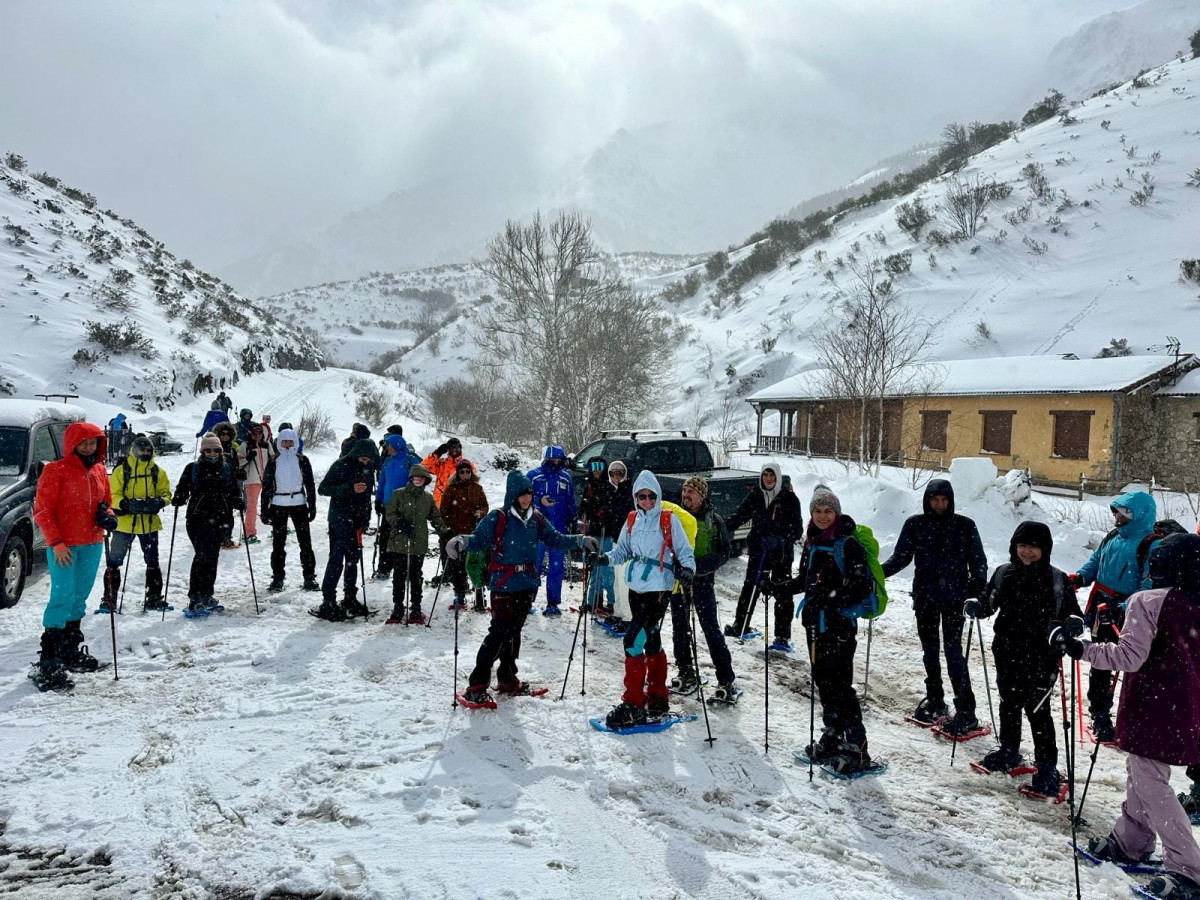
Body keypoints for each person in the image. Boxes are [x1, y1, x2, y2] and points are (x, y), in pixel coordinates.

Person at [1052, 533, 1200, 899]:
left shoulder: (1148, 601)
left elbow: (1128, 657)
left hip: (1155, 704)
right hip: (1190, 705)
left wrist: (1080, 649)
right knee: (1142, 771)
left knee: (1151, 782)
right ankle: (1130, 840)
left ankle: (1189, 868)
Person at [446, 471, 597, 706]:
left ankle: (507, 679)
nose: (526, 499)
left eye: (528, 494)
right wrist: (461, 540)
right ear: (512, 495)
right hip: (503, 583)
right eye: (521, 494)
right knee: (499, 632)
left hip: (526, 583)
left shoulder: (535, 518)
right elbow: (479, 539)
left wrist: (579, 540)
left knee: (513, 632)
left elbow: (554, 538)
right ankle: (476, 685)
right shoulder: (498, 517)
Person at [965, 521, 1080, 796]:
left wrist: (1072, 623)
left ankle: (1047, 768)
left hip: (1042, 657)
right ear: (1014, 547)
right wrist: (978, 605)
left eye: (1034, 547)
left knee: (1038, 711)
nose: (1028, 552)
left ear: (1045, 549)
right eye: (1022, 546)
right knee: (1009, 703)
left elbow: (1073, 613)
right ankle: (1009, 751)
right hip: (1007, 651)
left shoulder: (1056, 579)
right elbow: (989, 602)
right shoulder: (1004, 573)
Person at [767, 485, 875, 775]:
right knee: (823, 682)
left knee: (841, 686)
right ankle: (834, 733)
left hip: (839, 628)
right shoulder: (812, 541)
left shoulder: (847, 544)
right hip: (814, 625)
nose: (823, 516)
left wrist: (832, 598)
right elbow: (805, 580)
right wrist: (780, 588)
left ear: (837, 513)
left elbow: (861, 586)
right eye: (817, 511)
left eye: (828, 511)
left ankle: (857, 745)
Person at [882, 478, 988, 735]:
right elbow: (901, 557)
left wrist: (977, 588)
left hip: (955, 600)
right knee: (930, 651)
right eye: (935, 500)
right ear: (927, 500)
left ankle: (966, 711)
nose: (940, 505)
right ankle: (935, 700)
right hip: (925, 598)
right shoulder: (915, 524)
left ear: (951, 501)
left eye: (944, 500)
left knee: (953, 654)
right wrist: (878, 573)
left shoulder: (964, 526)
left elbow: (978, 561)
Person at [592, 471, 696, 729]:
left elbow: (685, 553)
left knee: (631, 640)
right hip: (636, 586)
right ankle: (658, 697)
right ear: (635, 497)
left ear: (658, 496)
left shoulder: (668, 520)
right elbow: (622, 551)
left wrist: (688, 570)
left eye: (651, 496)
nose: (646, 501)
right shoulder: (631, 520)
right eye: (641, 496)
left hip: (658, 589)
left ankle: (633, 704)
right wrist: (605, 558)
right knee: (651, 640)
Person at [30, 422, 117, 690]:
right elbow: (42, 510)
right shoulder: (55, 471)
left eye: (94, 442)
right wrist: (55, 542)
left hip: (92, 543)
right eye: (84, 442)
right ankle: (48, 662)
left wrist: (109, 517)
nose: (89, 447)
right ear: (72, 444)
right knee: (62, 597)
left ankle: (69, 651)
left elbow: (107, 503)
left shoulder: (100, 470)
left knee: (79, 597)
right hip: (64, 546)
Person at [1069, 490, 1158, 743]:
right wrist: (1080, 578)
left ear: (1138, 515)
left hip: (1131, 611)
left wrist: (1125, 606)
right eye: (1116, 511)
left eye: (1123, 512)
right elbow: (1095, 561)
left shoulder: (1151, 544)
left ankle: (1132, 715)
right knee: (1101, 659)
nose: (1117, 516)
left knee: (1133, 661)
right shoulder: (1112, 537)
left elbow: (1148, 584)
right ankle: (1099, 714)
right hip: (1101, 607)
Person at [672, 476, 738, 701]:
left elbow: (724, 552)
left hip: (702, 581)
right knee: (680, 628)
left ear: (702, 495)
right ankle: (685, 670)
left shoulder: (714, 520)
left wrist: (700, 566)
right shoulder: (675, 517)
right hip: (679, 581)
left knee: (710, 629)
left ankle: (726, 679)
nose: (686, 495)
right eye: (684, 490)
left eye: (691, 491)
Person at [724, 462, 802, 647]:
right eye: (766, 475)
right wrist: (723, 527)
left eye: (772, 476)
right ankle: (741, 626)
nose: (769, 479)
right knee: (750, 587)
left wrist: (780, 538)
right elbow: (740, 515)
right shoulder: (756, 495)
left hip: (781, 554)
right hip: (759, 551)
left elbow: (797, 529)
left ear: (778, 477)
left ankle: (782, 636)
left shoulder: (789, 499)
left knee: (782, 591)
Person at [172, 433, 244, 616]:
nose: (211, 453)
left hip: (221, 519)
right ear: (202, 451)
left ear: (220, 451)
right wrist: (179, 497)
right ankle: (195, 598)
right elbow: (182, 489)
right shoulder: (193, 468)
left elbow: (234, 491)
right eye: (207, 450)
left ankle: (207, 594)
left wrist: (238, 501)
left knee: (212, 557)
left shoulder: (227, 468)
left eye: (215, 450)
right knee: (202, 556)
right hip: (198, 519)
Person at [104, 434, 173, 613]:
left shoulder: (157, 471)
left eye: (148, 450)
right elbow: (112, 495)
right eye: (141, 449)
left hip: (149, 523)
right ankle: (108, 599)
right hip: (124, 524)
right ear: (133, 451)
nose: (144, 453)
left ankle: (154, 597)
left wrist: (158, 502)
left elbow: (166, 493)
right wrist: (125, 504)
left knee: (152, 561)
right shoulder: (121, 471)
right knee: (114, 561)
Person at [313, 436, 379, 621]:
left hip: (357, 522)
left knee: (353, 560)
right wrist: (349, 488)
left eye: (368, 459)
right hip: (339, 520)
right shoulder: (341, 464)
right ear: (357, 454)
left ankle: (350, 597)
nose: (365, 461)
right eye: (363, 458)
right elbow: (323, 488)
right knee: (336, 559)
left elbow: (366, 496)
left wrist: (366, 518)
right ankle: (328, 600)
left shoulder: (368, 469)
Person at [384, 464, 451, 624]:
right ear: (411, 478)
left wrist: (445, 531)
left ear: (426, 480)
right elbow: (390, 513)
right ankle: (398, 606)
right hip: (399, 541)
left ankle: (415, 606)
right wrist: (400, 522)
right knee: (399, 575)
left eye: (421, 477)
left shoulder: (427, 498)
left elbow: (435, 517)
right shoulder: (398, 494)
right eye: (415, 477)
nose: (418, 479)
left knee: (416, 575)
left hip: (418, 542)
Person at [260, 428, 318, 593]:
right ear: (279, 442)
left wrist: (312, 505)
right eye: (284, 441)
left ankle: (309, 577)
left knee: (305, 543)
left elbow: (310, 484)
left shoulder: (302, 460)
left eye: (290, 441)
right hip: (279, 504)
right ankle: (278, 578)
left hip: (299, 503)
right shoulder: (273, 461)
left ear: (295, 442)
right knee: (278, 544)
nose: (287, 445)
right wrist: (265, 508)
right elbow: (267, 486)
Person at [526, 445, 577, 616]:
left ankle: (553, 602)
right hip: (536, 528)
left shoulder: (565, 478)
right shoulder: (533, 476)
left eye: (559, 461)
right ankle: (527, 599)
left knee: (556, 567)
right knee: (534, 564)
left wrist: (573, 518)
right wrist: (540, 501)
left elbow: (570, 501)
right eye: (553, 460)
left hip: (558, 528)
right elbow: (522, 500)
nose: (555, 463)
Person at [439, 458, 489, 610]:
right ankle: (459, 595)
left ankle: (479, 593)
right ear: (457, 473)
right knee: (457, 565)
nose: (465, 474)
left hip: (473, 532)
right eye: (462, 471)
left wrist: (481, 512)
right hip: (456, 532)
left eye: (468, 471)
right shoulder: (451, 489)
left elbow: (485, 506)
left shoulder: (477, 488)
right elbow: (443, 511)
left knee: (475, 563)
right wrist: (449, 527)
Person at [578, 458, 623, 615]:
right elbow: (584, 508)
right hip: (593, 534)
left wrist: (606, 513)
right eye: (593, 467)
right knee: (594, 568)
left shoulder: (609, 487)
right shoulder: (589, 487)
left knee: (606, 569)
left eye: (600, 466)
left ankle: (611, 602)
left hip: (606, 533)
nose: (597, 470)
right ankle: (593, 601)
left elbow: (615, 508)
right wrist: (585, 511)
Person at [372, 433, 411, 581]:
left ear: (396, 445)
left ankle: (404, 569)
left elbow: (418, 481)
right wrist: (378, 499)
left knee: (403, 539)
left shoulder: (410, 461)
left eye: (388, 445)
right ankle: (384, 567)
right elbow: (382, 482)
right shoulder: (388, 462)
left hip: (404, 507)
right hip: (388, 507)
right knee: (385, 539)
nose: (387, 448)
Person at [606, 460, 635, 632]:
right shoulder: (610, 491)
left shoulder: (628, 492)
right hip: (615, 539)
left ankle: (628, 617)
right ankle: (618, 611)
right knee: (616, 578)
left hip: (627, 542)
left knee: (625, 580)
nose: (617, 477)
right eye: (613, 474)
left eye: (620, 474)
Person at [238, 423, 274, 546]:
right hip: (251, 479)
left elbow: (273, 459)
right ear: (250, 433)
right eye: (255, 432)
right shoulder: (245, 444)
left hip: (267, 479)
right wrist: (247, 458)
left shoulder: (267, 444)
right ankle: (249, 533)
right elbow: (239, 461)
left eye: (260, 432)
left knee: (274, 504)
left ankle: (276, 528)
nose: (257, 435)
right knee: (251, 507)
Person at [211, 421, 245, 550]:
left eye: (227, 434)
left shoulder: (232, 450)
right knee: (215, 514)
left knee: (228, 514)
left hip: (229, 486)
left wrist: (239, 473)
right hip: (214, 487)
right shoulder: (212, 449)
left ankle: (226, 538)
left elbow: (235, 466)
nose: (225, 436)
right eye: (222, 434)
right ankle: (216, 537)